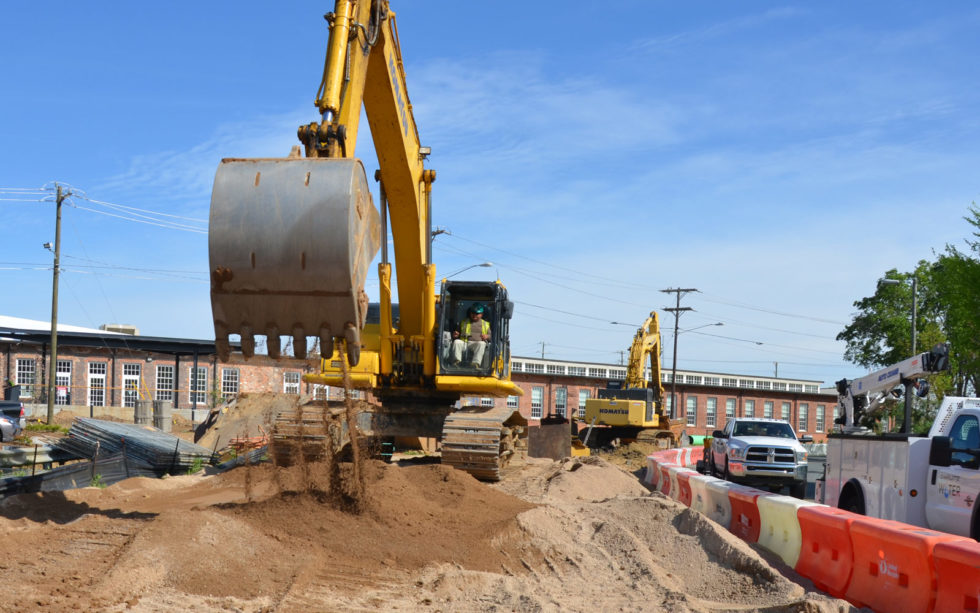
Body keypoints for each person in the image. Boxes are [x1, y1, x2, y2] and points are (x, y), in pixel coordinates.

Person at [450, 303, 490, 367]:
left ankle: (475, 363)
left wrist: (487, 336)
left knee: (482, 344)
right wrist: (456, 335)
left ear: (481, 314)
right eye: (473, 313)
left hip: (476, 344)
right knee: (457, 342)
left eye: (477, 314)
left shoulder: (486, 324)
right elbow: (457, 333)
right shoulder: (463, 322)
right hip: (464, 343)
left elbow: (491, 336)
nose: (474, 315)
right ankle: (456, 362)